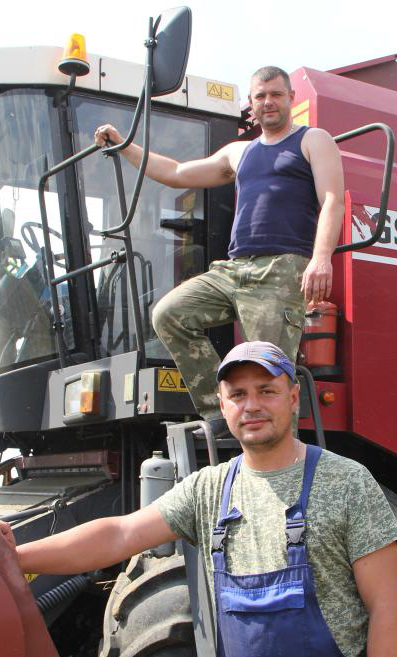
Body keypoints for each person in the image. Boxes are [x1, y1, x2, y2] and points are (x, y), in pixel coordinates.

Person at [0, 341, 397, 657]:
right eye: (238, 394)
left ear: (293, 397)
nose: (252, 405)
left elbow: (387, 608)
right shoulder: (208, 490)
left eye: (267, 391)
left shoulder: (347, 482)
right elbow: (119, 534)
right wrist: (14, 556)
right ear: (222, 405)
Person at [93, 66, 345, 435]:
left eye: (276, 94)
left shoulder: (312, 140)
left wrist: (321, 258)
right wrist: (125, 146)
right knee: (169, 314)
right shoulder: (240, 153)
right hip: (233, 270)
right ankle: (219, 412)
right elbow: (177, 172)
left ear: (291, 98)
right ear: (251, 104)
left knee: (267, 371)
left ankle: (281, 457)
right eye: (260, 96)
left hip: (280, 269)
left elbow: (333, 200)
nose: (268, 102)